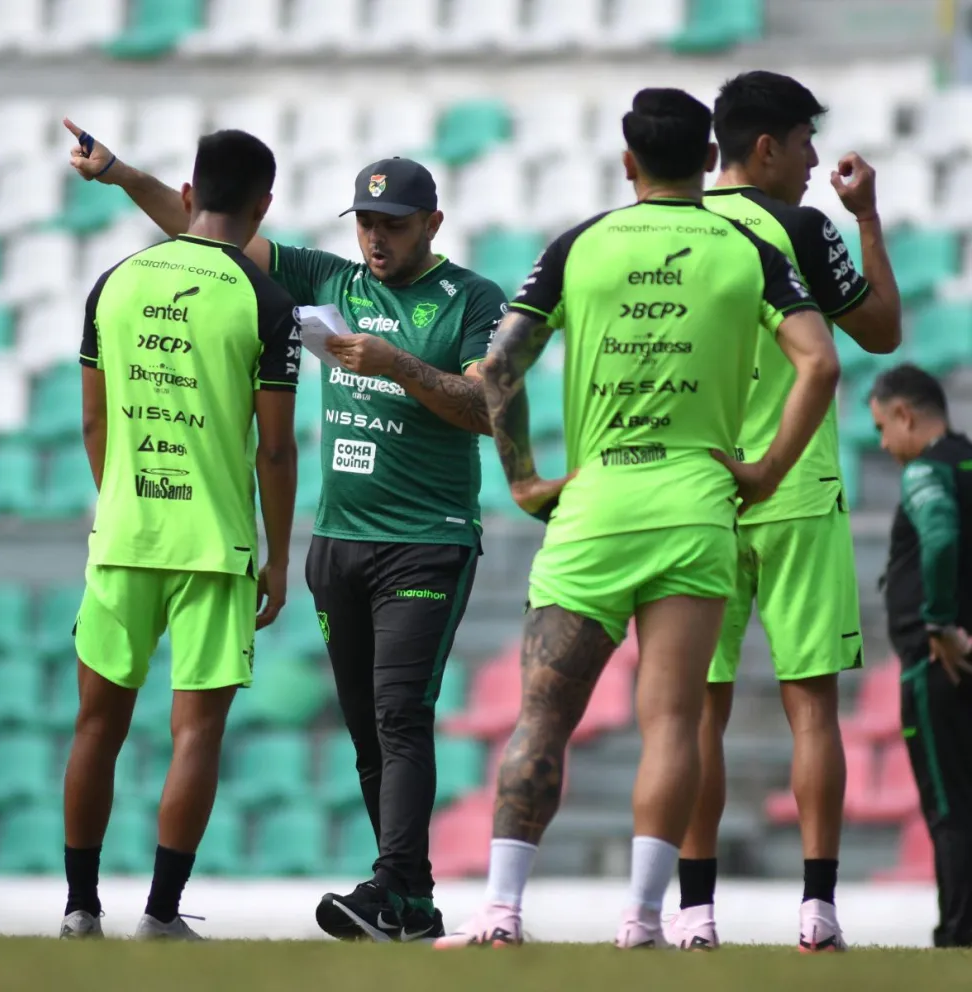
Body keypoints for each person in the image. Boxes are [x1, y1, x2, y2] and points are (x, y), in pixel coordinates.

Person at [63, 120, 507, 942]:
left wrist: (399, 366)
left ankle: (389, 886)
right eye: (367, 223)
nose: (376, 239)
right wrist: (122, 174)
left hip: (427, 535)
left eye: (395, 225)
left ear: (433, 226)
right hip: (339, 541)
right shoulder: (327, 279)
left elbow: (486, 408)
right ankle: (409, 900)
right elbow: (207, 240)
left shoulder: (473, 299)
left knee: (400, 713)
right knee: (370, 732)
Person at [435, 87, 840, 949]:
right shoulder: (746, 246)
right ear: (706, 160)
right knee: (674, 721)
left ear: (627, 162)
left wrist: (523, 478)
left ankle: (502, 910)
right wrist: (767, 470)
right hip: (696, 508)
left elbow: (498, 369)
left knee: (542, 715)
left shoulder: (579, 245)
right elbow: (821, 366)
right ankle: (646, 919)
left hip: (594, 507)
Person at [666, 70, 903, 952]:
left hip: (698, 495)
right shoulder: (800, 228)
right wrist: (868, 218)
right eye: (804, 142)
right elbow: (880, 332)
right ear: (764, 147)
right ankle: (818, 909)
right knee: (813, 709)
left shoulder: (669, 230)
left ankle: (693, 914)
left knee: (694, 710)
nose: (811, 161)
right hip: (795, 486)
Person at [59, 129, 299, 940]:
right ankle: (161, 915)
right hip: (216, 545)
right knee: (196, 731)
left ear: (190, 194)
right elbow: (273, 445)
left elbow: (92, 420)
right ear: (264, 206)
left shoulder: (114, 282)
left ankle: (79, 909)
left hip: (125, 533)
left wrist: (123, 502)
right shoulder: (264, 299)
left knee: (97, 724)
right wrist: (279, 556)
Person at [870, 363, 972, 948]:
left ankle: (957, 936)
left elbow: (938, 534)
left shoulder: (927, 473)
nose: (884, 444)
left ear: (906, 414)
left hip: (939, 665)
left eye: (885, 427)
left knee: (950, 806)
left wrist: (937, 622)